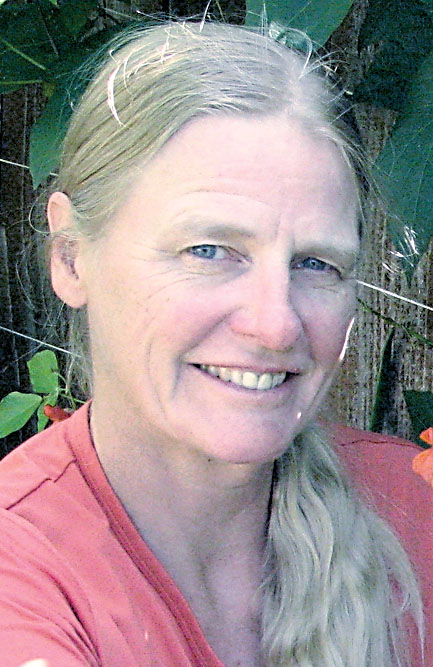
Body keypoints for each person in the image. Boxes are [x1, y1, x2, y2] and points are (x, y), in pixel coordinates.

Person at [0, 20, 432, 667]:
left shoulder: (415, 502)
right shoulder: (23, 575)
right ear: (70, 256)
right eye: (208, 250)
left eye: (315, 263)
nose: (276, 324)